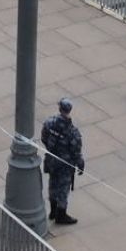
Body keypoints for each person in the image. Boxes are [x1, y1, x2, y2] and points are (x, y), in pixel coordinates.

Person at [40, 97, 85, 226]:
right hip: (65, 165)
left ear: (60, 108)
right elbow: (76, 152)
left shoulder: (49, 123)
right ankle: (61, 214)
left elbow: (44, 138)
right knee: (63, 189)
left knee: (53, 185)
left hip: (52, 161)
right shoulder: (72, 132)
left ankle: (53, 211)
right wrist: (80, 163)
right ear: (69, 110)